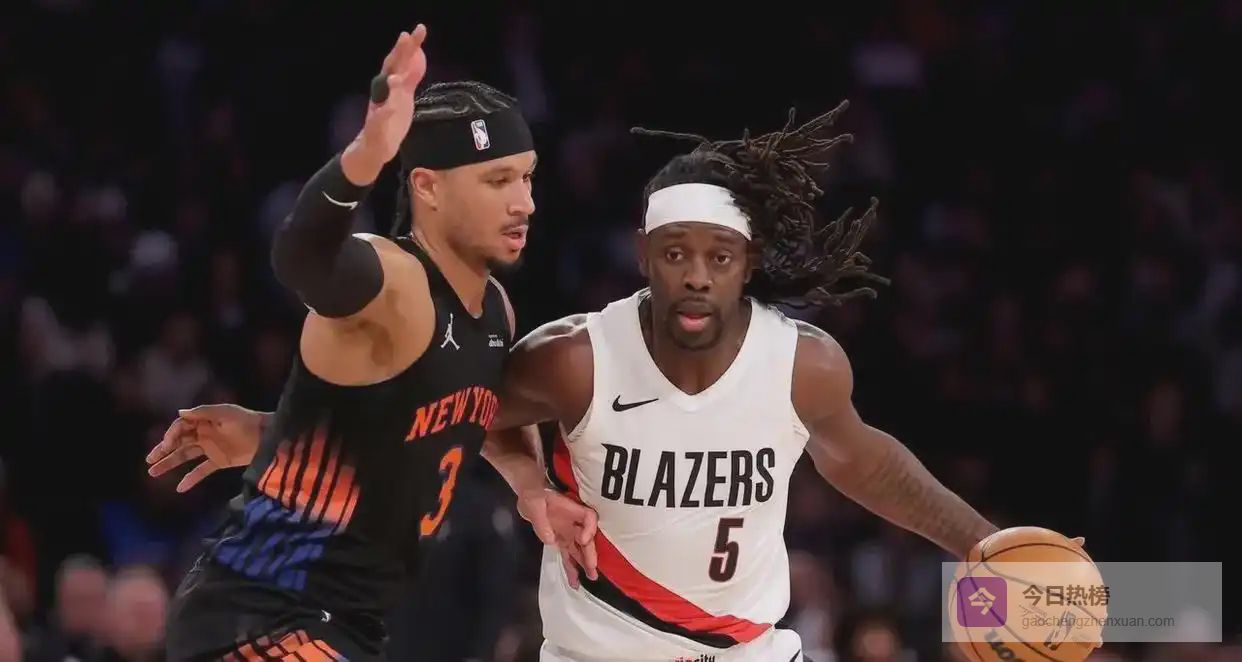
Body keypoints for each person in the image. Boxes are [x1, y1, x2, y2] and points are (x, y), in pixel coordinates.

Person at [482, 103, 1088, 661]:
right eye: (674, 254)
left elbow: (864, 463)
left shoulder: (801, 364)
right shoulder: (576, 359)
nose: (696, 277)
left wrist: (985, 543)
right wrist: (530, 486)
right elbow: (469, 410)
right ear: (643, 254)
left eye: (720, 257)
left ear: (749, 261)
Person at [147, 24, 593, 661]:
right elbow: (302, 256)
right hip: (262, 607)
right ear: (428, 186)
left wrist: (529, 486)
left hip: (346, 624)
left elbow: (474, 415)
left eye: (527, 178)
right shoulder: (396, 280)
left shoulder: (494, 308)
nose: (524, 202)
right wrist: (369, 151)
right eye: (497, 181)